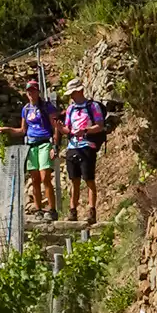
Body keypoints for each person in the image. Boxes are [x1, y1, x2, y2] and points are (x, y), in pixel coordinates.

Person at [60, 81, 109, 228]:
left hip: (87, 146)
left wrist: (85, 131)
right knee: (74, 180)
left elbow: (99, 126)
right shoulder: (70, 109)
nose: (72, 97)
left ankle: (91, 211)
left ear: (79, 91)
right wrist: (61, 129)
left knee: (89, 179)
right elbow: (68, 129)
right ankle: (72, 210)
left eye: (73, 93)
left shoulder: (92, 106)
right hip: (72, 146)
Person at [16, 71, 62, 219]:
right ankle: (38, 209)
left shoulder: (46, 107)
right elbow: (23, 130)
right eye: (28, 91)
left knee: (45, 177)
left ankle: (52, 209)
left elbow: (55, 125)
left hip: (44, 142)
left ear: (38, 92)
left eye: (33, 91)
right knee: (34, 178)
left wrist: (55, 145)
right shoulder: (26, 109)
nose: (31, 93)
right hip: (31, 145)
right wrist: (7, 131)